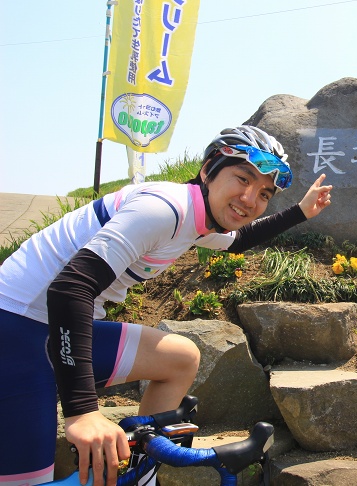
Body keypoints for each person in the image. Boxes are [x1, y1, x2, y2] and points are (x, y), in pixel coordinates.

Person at [0, 126, 332, 486]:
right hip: (15, 330)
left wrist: (301, 211)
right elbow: (71, 289)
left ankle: (143, 473)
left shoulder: (199, 217)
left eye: (264, 193)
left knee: (180, 358)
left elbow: (238, 241)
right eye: (242, 178)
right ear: (208, 171)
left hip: (57, 326)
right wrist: (82, 414)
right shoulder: (163, 209)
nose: (250, 199)